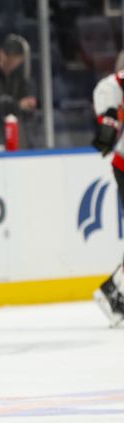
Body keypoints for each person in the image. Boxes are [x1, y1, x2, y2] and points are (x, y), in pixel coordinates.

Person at [89, 71, 124, 327]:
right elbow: (107, 85)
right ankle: (113, 291)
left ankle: (113, 289)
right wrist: (108, 117)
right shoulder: (112, 85)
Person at [0, 34, 38, 148]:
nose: (13, 63)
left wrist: (29, 102)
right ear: (2, 54)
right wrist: (17, 105)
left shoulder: (18, 76)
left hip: (17, 127)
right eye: (11, 58)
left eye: (17, 59)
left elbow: (26, 99)